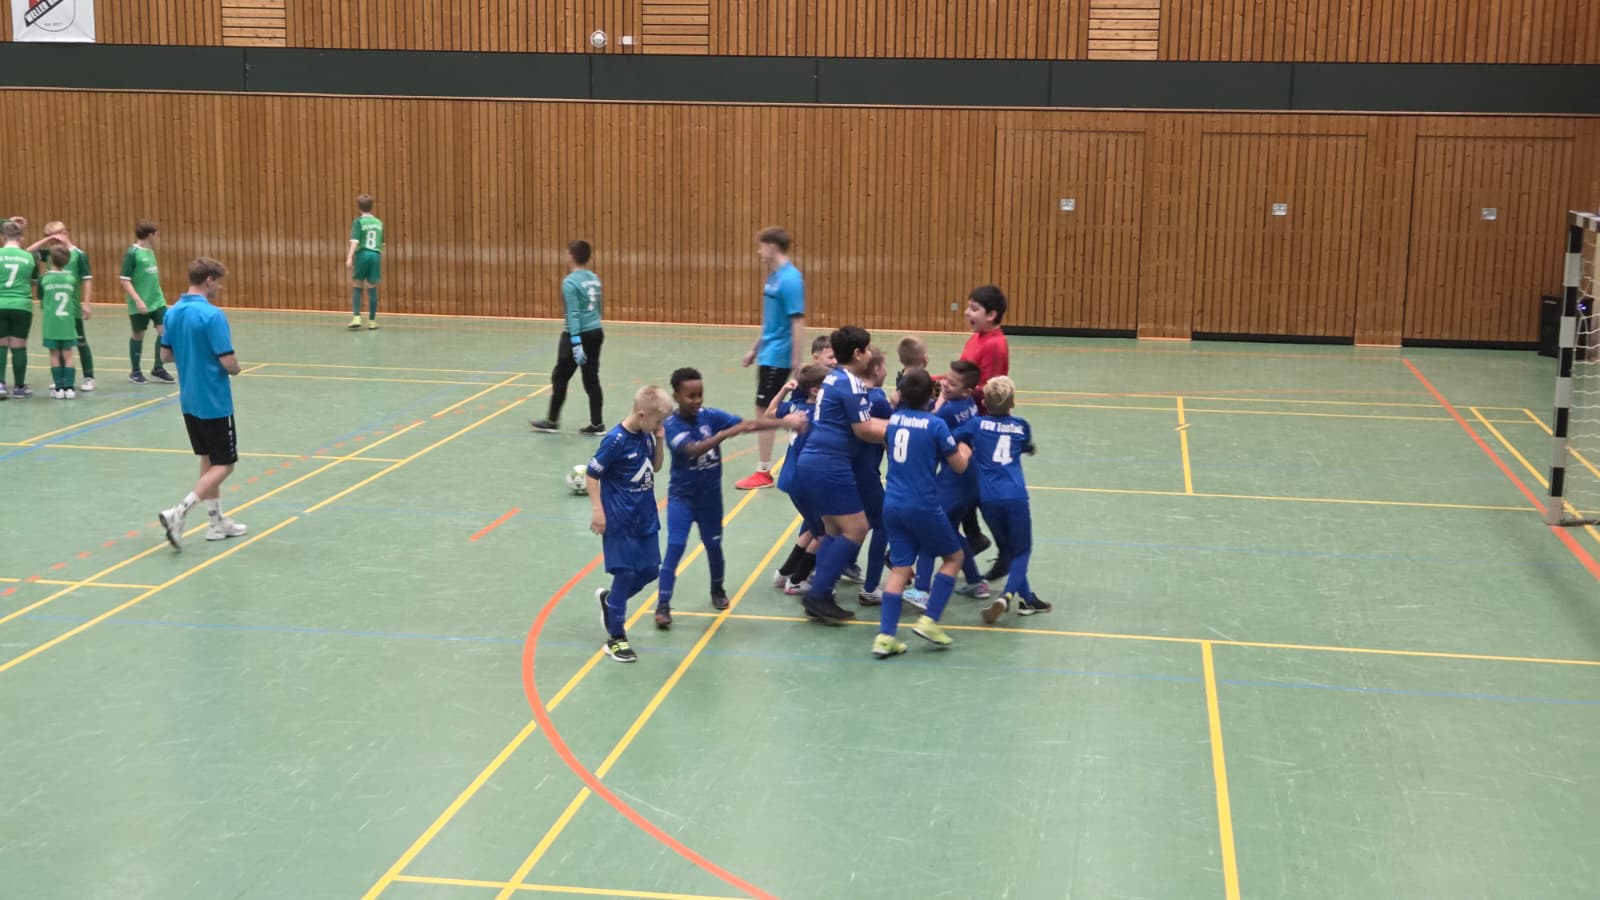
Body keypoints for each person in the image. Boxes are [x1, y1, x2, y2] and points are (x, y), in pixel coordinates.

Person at [655, 367, 804, 628]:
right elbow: (693, 449)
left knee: (714, 545)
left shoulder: (709, 415)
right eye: (690, 396)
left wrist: (784, 423)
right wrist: (724, 434)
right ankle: (663, 605)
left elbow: (748, 424)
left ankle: (717, 589)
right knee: (675, 547)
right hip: (682, 498)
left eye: (700, 394)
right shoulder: (671, 425)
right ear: (677, 396)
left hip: (710, 499)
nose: (697, 400)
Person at [871, 368, 973, 659]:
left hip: (893, 503)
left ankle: (886, 637)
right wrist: (965, 449)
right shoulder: (936, 426)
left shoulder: (893, 421)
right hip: (923, 504)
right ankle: (930, 620)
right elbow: (959, 466)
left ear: (901, 393)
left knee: (900, 568)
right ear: (932, 394)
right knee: (954, 557)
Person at [795, 325, 888, 622]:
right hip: (829, 463)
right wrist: (902, 429)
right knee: (857, 528)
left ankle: (820, 593)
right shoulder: (851, 383)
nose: (870, 354)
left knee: (834, 531)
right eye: (868, 349)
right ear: (858, 353)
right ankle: (818, 594)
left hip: (814, 461)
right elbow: (864, 430)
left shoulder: (833, 377)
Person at [157, 258, 247, 549]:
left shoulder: (172, 312)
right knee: (225, 464)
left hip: (189, 400)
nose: (219, 287)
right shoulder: (212, 315)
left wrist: (191, 353)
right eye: (218, 282)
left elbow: (165, 356)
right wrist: (236, 368)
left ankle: (216, 522)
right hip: (214, 400)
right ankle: (179, 511)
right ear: (208, 280)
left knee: (208, 458)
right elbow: (228, 361)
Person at [586, 385, 674, 663]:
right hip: (619, 520)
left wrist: (659, 440)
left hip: (645, 517)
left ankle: (611, 601)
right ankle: (616, 638)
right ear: (642, 414)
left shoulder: (647, 436)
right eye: (658, 421)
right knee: (624, 574)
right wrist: (598, 510)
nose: (660, 426)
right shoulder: (615, 441)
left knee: (649, 571)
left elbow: (656, 467)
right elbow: (592, 474)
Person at [957, 376, 1052, 619]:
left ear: (984, 403)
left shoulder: (976, 425)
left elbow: (951, 436)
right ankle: (1007, 596)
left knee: (1008, 549)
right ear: (1013, 403)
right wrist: (1029, 449)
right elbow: (1025, 445)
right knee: (1022, 550)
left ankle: (1028, 599)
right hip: (1015, 497)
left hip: (988, 499)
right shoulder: (1021, 425)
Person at [908, 360, 993, 613]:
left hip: (954, 480)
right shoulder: (969, 404)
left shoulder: (948, 409)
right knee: (952, 531)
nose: (945, 384)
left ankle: (921, 589)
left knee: (929, 529)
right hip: (971, 478)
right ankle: (976, 582)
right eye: (946, 378)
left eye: (952, 384)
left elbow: (926, 424)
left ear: (967, 391)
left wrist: (940, 401)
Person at [736, 227, 806, 490]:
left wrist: (796, 360)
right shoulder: (773, 278)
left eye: (761, 246)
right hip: (768, 353)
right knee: (763, 409)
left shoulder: (790, 279)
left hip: (779, 355)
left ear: (772, 246)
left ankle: (764, 472)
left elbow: (797, 321)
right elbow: (770, 321)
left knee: (766, 412)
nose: (758, 251)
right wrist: (755, 349)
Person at [531, 240, 606, 435]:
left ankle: (552, 421)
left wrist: (576, 341)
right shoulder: (594, 278)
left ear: (571, 256)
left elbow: (572, 314)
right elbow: (600, 307)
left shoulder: (570, 282)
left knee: (560, 376)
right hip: (596, 332)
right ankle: (597, 424)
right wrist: (594, 325)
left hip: (578, 334)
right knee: (591, 379)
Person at [961, 285, 1012, 566]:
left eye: (974, 308)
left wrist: (949, 391)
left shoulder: (994, 344)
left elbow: (987, 388)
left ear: (991, 315)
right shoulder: (976, 338)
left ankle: (1003, 547)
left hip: (982, 424)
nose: (966, 312)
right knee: (966, 484)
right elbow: (963, 375)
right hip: (968, 418)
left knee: (979, 491)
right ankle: (974, 536)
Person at [768, 365, 829, 594]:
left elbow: (770, 412)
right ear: (815, 390)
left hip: (790, 478)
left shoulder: (796, 407)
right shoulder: (813, 417)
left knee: (813, 527)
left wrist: (784, 390)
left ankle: (784, 573)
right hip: (805, 481)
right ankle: (797, 580)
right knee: (825, 531)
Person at [28, 222, 95, 391]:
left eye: (54, 236)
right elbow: (28, 252)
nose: (52, 241)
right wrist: (47, 240)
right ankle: (63, 379)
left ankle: (89, 377)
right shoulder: (51, 254)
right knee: (59, 345)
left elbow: (87, 279)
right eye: (48, 238)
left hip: (72, 307)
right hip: (54, 309)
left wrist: (86, 303)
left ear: (65, 233)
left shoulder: (78, 255)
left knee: (80, 341)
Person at [851, 348, 892, 605]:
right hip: (866, 472)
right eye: (884, 365)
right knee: (882, 524)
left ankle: (840, 564)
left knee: (846, 522)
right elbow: (893, 431)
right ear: (876, 369)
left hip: (844, 469)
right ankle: (871, 587)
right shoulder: (878, 398)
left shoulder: (851, 393)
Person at [121, 220, 174, 385]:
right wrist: (138, 300)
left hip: (157, 300)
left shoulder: (150, 251)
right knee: (138, 334)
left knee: (164, 331)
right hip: (140, 302)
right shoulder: (132, 253)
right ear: (150, 235)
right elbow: (124, 279)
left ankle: (158, 368)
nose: (157, 237)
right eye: (156, 234)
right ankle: (135, 371)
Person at [36, 245, 85, 398]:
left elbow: (40, 296)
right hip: (68, 324)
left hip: (51, 324)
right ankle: (69, 389)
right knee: (68, 355)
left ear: (50, 259)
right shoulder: (71, 279)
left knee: (54, 355)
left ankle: (58, 389)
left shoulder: (44, 278)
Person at [0, 219, 38, 399]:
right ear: (21, 237)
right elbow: (33, 281)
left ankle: (0, 385)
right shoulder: (29, 257)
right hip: (22, 305)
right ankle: (19, 387)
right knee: (19, 346)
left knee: (1, 344)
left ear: (3, 237)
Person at [346, 194, 384, 330]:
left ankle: (357, 317)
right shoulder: (379, 222)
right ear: (371, 206)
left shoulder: (358, 222)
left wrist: (349, 257)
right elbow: (382, 243)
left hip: (363, 254)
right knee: (372, 287)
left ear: (359, 207)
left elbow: (355, 241)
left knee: (357, 283)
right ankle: (372, 321)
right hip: (375, 254)